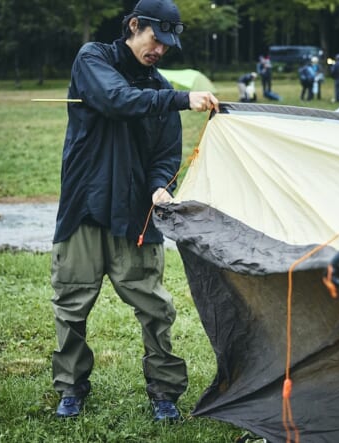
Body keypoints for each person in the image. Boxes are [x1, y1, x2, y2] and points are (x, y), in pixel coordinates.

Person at [50, 0, 219, 423]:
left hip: (136, 216)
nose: (160, 49)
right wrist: (181, 98)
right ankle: (71, 387)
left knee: (155, 309)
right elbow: (115, 99)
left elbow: (165, 155)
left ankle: (164, 393)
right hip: (83, 209)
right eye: (155, 39)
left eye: (167, 44)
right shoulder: (93, 59)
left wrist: (161, 186)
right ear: (133, 25)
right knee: (71, 304)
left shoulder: (160, 88)